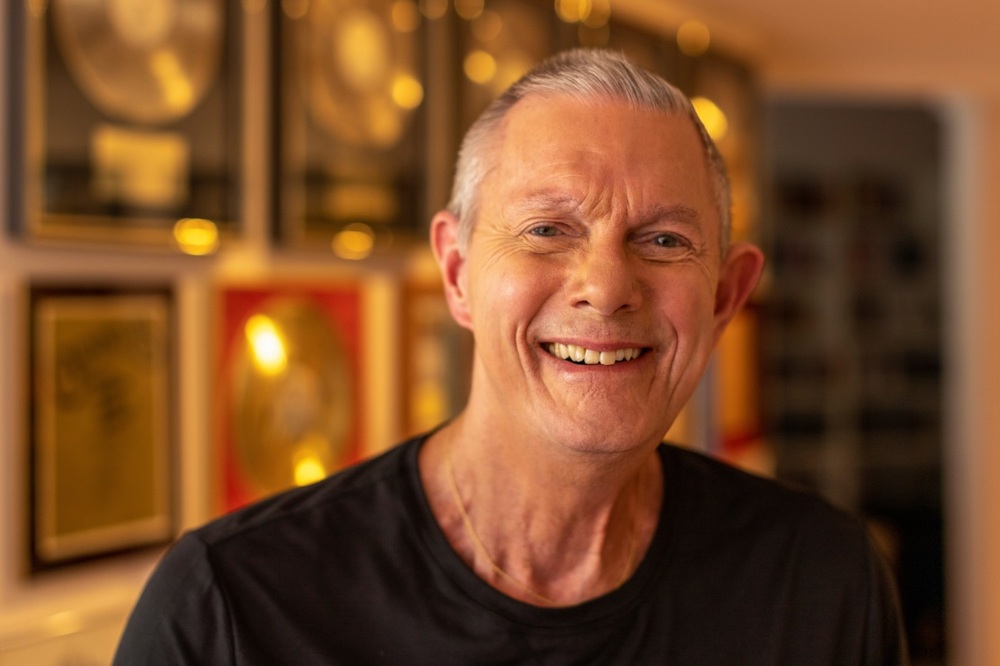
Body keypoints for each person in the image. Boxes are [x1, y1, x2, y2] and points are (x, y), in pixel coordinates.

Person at [114, 49, 907, 664]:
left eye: (663, 240)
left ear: (726, 297)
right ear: (457, 273)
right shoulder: (231, 609)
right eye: (547, 230)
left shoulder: (820, 580)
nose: (605, 287)